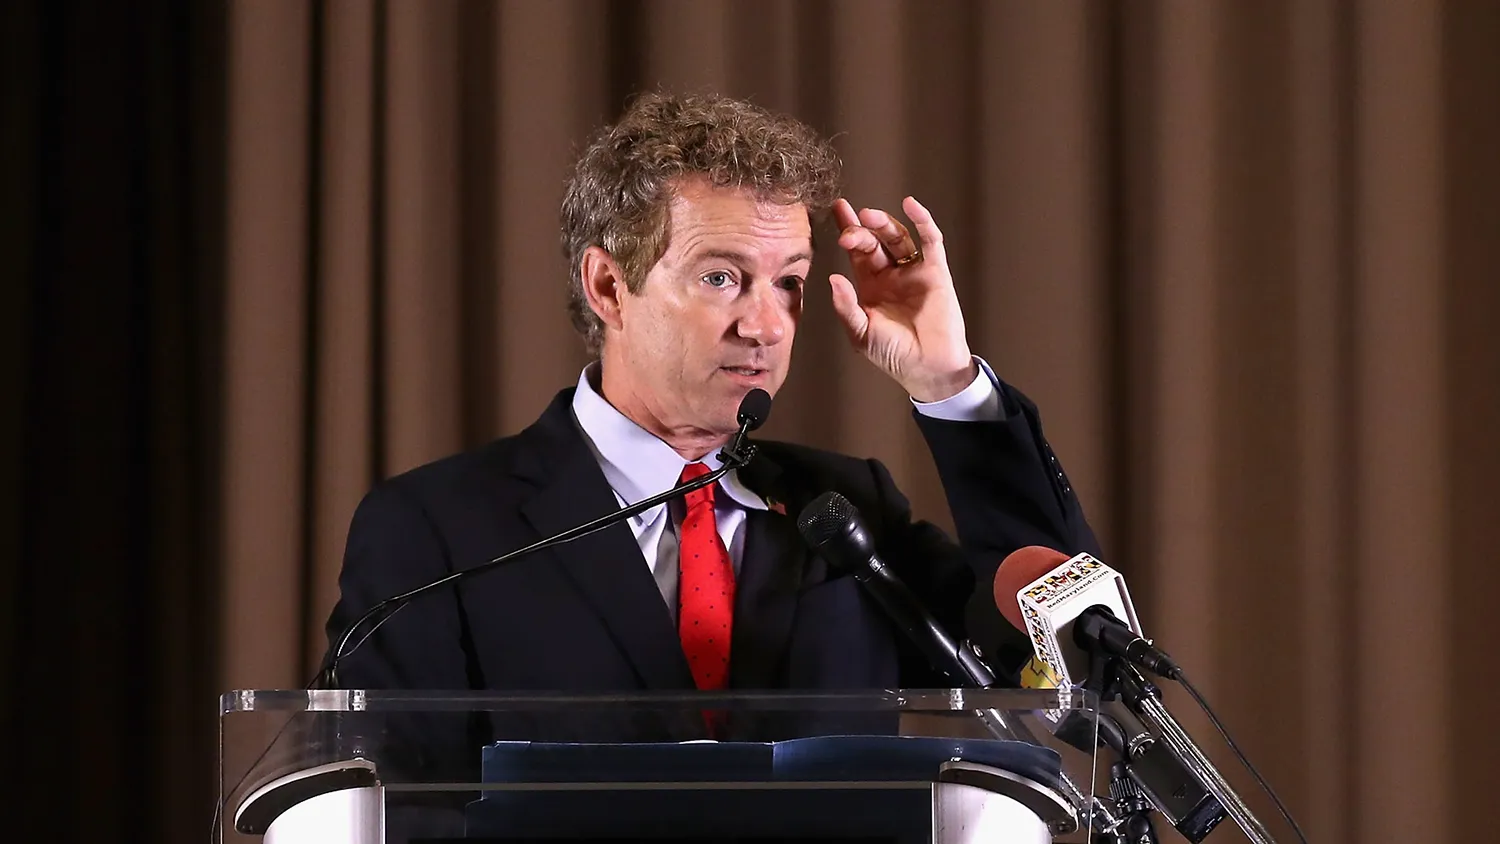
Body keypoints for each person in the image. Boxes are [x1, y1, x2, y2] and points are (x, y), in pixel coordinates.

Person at [324, 91, 1100, 716]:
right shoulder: (436, 531)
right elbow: (395, 800)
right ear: (608, 287)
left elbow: (1064, 650)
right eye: (721, 277)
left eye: (788, 282)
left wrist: (950, 386)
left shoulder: (846, 511)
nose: (765, 325)